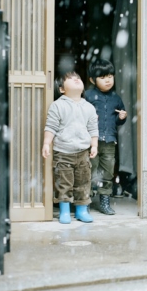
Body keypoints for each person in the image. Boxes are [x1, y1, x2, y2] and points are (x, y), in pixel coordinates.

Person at [42, 71, 98, 224]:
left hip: (83, 152)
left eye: (78, 78)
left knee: (83, 182)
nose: (76, 79)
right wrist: (47, 143)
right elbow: (51, 126)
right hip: (63, 152)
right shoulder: (57, 105)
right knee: (64, 183)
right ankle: (64, 211)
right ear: (61, 89)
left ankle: (81, 210)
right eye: (70, 79)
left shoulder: (89, 107)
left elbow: (93, 128)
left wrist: (94, 145)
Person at [85, 59, 127, 215]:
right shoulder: (88, 96)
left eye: (110, 76)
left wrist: (121, 118)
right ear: (92, 80)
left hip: (109, 140)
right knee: (88, 170)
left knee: (107, 172)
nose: (108, 80)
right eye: (103, 77)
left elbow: (116, 121)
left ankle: (104, 201)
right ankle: (85, 202)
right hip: (91, 141)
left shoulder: (116, 98)